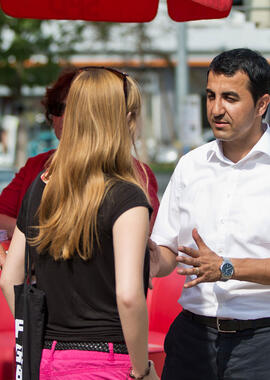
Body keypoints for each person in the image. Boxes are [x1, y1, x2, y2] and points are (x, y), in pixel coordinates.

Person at [0, 67, 159, 379]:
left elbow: (10, 279)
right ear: (122, 120)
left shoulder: (41, 185)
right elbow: (128, 295)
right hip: (107, 361)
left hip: (45, 359)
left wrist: (33, 338)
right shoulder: (128, 195)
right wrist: (142, 370)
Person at [150, 48, 270, 380]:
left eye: (230, 98)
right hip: (192, 337)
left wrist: (228, 269)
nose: (217, 109)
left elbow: (219, 267)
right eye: (211, 96)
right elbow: (166, 251)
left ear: (262, 104)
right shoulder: (191, 165)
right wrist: (141, 259)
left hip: (261, 342)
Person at [0, 69, 159, 240]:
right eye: (57, 108)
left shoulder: (133, 177)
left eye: (74, 109)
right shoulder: (40, 172)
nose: (63, 116)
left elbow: (145, 243)